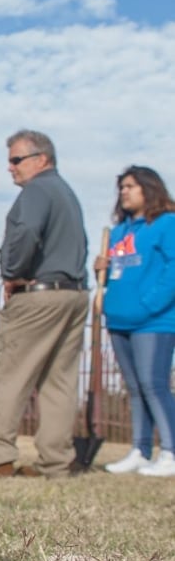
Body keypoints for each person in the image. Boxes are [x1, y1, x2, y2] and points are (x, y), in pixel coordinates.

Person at [0, 130, 89, 478]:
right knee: (60, 380)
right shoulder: (66, 193)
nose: (10, 168)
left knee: (7, 371)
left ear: (41, 159)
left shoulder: (38, 189)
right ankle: (55, 461)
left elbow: (26, 230)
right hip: (73, 293)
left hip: (38, 294)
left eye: (16, 160)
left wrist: (12, 271)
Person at [98, 167, 175, 477]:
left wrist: (148, 305)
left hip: (153, 322)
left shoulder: (167, 224)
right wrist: (100, 268)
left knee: (153, 384)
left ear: (148, 188)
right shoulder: (118, 232)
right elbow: (118, 272)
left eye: (130, 186)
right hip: (119, 321)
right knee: (134, 387)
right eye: (121, 187)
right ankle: (140, 450)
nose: (124, 192)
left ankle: (170, 451)